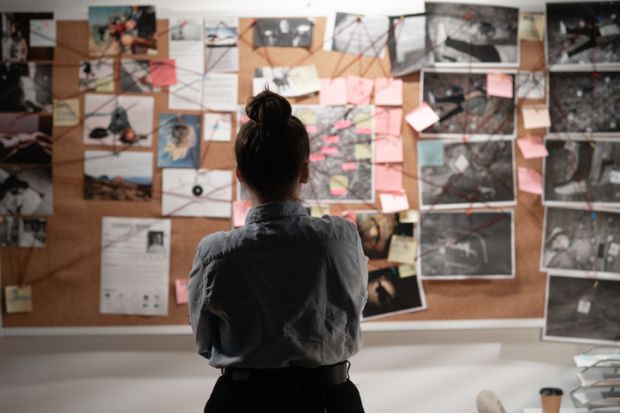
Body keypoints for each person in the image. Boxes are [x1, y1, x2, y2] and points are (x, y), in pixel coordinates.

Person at [188, 89, 368, 413]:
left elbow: (205, 342)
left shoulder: (214, 253)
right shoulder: (341, 237)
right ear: (304, 171)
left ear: (240, 176)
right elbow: (354, 307)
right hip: (329, 401)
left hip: (242, 404)